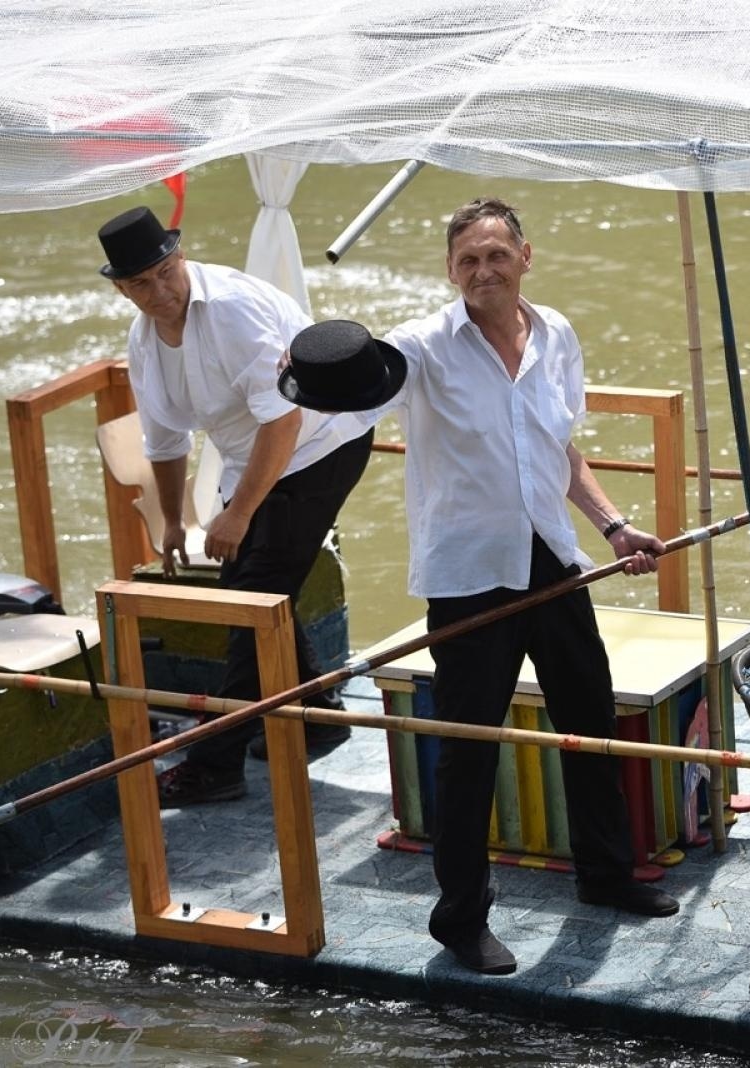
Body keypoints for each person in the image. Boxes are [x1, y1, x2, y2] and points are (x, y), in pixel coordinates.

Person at [278, 198, 679, 977]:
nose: (483, 271)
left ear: (525, 255)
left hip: (550, 557)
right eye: (468, 261)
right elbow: (360, 388)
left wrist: (613, 526)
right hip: (468, 576)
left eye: (496, 255)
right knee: (469, 748)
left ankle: (604, 875)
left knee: (589, 717)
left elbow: (560, 446)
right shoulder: (423, 347)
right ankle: (461, 918)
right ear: (450, 271)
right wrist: (308, 378)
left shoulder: (556, 333)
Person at [97, 205, 375, 807]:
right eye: (140, 283)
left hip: (321, 443)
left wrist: (239, 513)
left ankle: (214, 765)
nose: (158, 290)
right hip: (255, 456)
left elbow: (284, 420)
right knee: (254, 585)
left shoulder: (231, 310)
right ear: (121, 289)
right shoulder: (144, 340)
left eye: (165, 272)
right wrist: (175, 520)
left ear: (181, 257)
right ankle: (317, 715)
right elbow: (165, 440)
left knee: (249, 600)